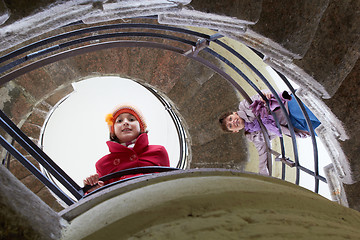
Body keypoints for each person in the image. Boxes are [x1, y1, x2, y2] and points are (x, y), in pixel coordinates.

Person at [219, 90, 321, 175]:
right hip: (294, 125)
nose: (233, 122)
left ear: (234, 113)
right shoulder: (253, 136)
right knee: (322, 129)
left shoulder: (244, 106)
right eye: (230, 125)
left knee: (320, 114)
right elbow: (263, 154)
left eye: (231, 118)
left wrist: (265, 96)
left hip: (288, 107)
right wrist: (264, 177)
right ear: (235, 131)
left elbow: (260, 95)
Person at [83, 105, 170, 192]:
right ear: (113, 133)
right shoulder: (103, 164)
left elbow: (170, 182)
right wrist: (92, 189)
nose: (125, 123)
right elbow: (100, 198)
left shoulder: (158, 151)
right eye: (119, 121)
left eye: (131, 119)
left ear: (141, 127)